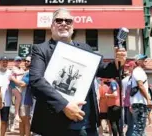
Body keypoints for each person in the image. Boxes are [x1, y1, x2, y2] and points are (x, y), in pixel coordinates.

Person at [29, 8, 127, 136]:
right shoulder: (41, 49)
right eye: (59, 20)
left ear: (73, 27)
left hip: (86, 123)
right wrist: (65, 105)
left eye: (68, 21)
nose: (64, 23)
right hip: (54, 123)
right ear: (52, 26)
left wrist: (118, 62)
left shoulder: (85, 48)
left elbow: (104, 70)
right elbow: (36, 80)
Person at [130, 54, 152, 136]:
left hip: (138, 102)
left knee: (140, 129)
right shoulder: (138, 71)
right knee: (139, 129)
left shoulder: (138, 71)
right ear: (138, 61)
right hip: (140, 102)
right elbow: (140, 85)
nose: (145, 61)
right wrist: (148, 99)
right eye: (143, 59)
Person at [123, 61, 135, 136]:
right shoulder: (130, 78)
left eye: (128, 67)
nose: (127, 68)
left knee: (134, 125)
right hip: (128, 104)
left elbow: (134, 91)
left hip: (132, 104)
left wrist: (131, 104)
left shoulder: (135, 78)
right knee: (131, 125)